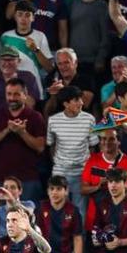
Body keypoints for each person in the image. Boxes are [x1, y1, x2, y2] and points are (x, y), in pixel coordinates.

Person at [0, 78, 46, 203]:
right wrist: (7, 130)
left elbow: (40, 147)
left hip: (28, 180)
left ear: (25, 95)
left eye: (16, 94)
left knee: (27, 218)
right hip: (0, 179)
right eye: (9, 94)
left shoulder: (35, 117)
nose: (12, 98)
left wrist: (22, 132)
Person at [46, 86, 98, 218]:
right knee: (58, 209)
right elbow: (51, 145)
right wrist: (59, 163)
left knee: (80, 212)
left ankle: (79, 238)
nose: (81, 102)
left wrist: (87, 169)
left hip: (81, 172)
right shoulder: (53, 120)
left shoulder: (89, 119)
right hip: (60, 172)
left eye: (80, 99)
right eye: (76, 100)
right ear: (65, 104)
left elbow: (93, 147)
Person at [81, 127, 127, 230]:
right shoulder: (93, 159)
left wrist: (114, 184)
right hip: (94, 219)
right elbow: (83, 189)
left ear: (118, 141)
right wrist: (98, 186)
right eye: (103, 139)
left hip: (120, 219)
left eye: (111, 139)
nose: (107, 142)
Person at [35, 175, 84, 253]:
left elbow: (77, 238)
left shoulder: (73, 210)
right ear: (48, 191)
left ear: (66, 191)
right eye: (51, 189)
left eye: (58, 189)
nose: (54, 192)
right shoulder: (41, 208)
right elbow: (35, 234)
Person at [43, 48, 96, 116]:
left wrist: (63, 90)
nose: (63, 67)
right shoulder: (52, 80)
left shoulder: (86, 79)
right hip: (60, 121)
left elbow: (86, 103)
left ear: (75, 63)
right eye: (60, 64)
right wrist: (53, 95)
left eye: (66, 62)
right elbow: (48, 111)